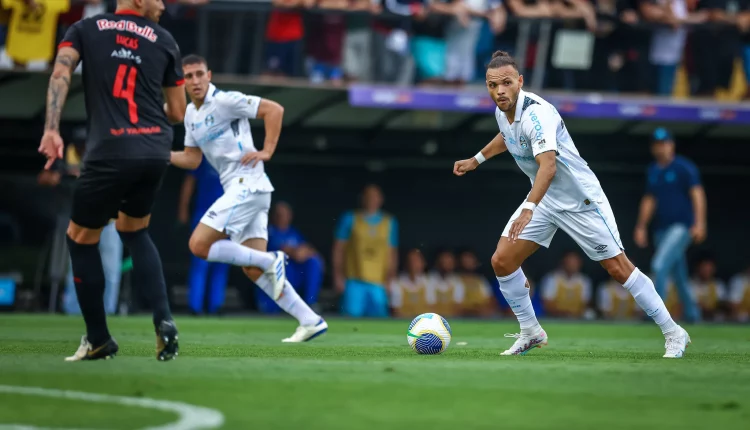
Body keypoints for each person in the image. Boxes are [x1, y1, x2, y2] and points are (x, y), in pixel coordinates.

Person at [452, 51, 690, 358]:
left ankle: (674, 332)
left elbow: (548, 167)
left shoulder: (538, 114)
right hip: (546, 199)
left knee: (618, 268)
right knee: (502, 261)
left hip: (582, 201)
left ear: (519, 82)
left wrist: (528, 208)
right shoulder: (503, 110)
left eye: (506, 83)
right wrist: (477, 159)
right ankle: (531, 332)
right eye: (492, 85)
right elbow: (508, 136)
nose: (499, 91)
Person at [38, 0, 187, 361]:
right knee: (135, 231)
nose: (164, 5)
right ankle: (164, 321)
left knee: (79, 238)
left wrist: (52, 129)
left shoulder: (86, 30)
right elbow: (178, 113)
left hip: (111, 150)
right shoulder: (165, 40)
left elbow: (60, 74)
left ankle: (98, 337)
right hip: (155, 150)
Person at [170, 55, 327, 342]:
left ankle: (272, 259)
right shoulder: (191, 116)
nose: (194, 81)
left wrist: (267, 151)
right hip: (244, 190)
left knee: (198, 244)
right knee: (253, 269)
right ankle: (310, 320)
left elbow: (274, 110)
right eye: (188, 76)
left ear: (209, 75)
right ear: (182, 81)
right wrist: (161, 155)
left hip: (247, 184)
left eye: (199, 74)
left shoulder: (226, 100)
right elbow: (192, 159)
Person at [634, 127, 705, 323]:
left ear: (671, 145)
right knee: (679, 274)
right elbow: (649, 200)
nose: (660, 148)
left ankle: (655, 313)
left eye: (664, 144)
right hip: (660, 229)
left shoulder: (684, 167)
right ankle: (692, 314)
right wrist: (641, 226)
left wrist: (700, 223)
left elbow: (697, 194)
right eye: (656, 145)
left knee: (659, 265)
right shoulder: (654, 170)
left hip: (681, 227)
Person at [332, 184, 398, 318]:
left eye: (375, 197)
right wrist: (338, 275)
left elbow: (392, 252)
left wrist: (390, 278)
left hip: (378, 283)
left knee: (379, 323)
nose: (371, 200)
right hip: (354, 281)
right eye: (368, 196)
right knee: (350, 321)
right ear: (362, 198)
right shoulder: (349, 218)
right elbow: (338, 249)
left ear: (380, 199)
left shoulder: (389, 222)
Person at [177, 158, 229, 315]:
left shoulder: (234, 156)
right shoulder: (204, 157)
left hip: (227, 215)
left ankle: (216, 305)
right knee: (200, 259)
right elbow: (189, 182)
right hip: (204, 214)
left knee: (223, 260)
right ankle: (195, 305)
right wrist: (183, 209)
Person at [259, 201, 324, 313]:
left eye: (285, 214)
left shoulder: (293, 232)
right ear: (273, 216)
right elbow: (281, 250)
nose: (282, 218)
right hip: (275, 278)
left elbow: (306, 249)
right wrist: (294, 252)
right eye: (279, 214)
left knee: (314, 262)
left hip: (294, 275)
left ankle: (310, 302)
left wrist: (305, 252)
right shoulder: (269, 231)